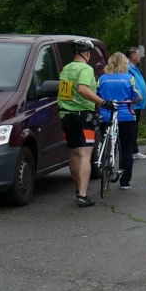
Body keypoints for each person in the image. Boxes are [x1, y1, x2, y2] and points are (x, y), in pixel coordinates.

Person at [57, 40, 112, 207]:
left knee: (74, 153)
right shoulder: (86, 69)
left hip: (66, 115)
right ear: (86, 53)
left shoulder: (66, 69)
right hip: (83, 116)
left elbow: (65, 93)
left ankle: (78, 189)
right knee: (85, 155)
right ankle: (82, 194)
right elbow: (82, 89)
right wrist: (102, 102)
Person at [95, 52, 140, 189]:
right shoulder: (129, 78)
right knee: (127, 149)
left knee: (108, 142)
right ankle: (125, 181)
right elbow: (138, 96)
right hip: (126, 116)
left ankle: (106, 161)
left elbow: (96, 96)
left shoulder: (102, 79)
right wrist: (134, 101)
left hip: (106, 116)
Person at [125, 46, 146, 160]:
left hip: (138, 103)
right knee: (132, 129)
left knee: (135, 128)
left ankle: (134, 150)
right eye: (138, 54)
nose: (140, 56)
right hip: (133, 103)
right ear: (133, 56)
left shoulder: (134, 67)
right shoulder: (128, 68)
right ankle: (132, 151)